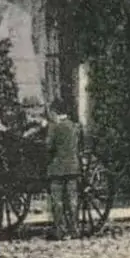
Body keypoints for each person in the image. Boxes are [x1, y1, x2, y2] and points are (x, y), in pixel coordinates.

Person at [46, 101, 80, 240]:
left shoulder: (54, 127)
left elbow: (48, 146)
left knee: (57, 201)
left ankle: (59, 230)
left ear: (55, 112)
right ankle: (74, 230)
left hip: (57, 168)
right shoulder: (74, 126)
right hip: (73, 167)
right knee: (73, 199)